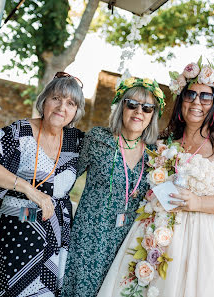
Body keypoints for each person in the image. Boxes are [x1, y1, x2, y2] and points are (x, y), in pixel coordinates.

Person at [97, 61, 214, 297]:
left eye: (205, 97)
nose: (196, 102)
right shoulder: (165, 141)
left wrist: (198, 203)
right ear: (181, 99)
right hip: (154, 233)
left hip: (204, 242)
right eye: (190, 94)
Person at [0, 72, 86, 296]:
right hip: (15, 229)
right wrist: (29, 190)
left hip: (55, 235)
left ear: (75, 112)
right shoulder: (19, 132)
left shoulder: (77, 142)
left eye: (70, 103)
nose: (62, 107)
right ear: (44, 100)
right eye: (56, 98)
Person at [61, 77, 166, 297]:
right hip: (90, 237)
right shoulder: (97, 139)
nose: (139, 111)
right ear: (121, 106)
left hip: (128, 242)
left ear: (153, 115)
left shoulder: (156, 155)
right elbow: (65, 180)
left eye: (147, 108)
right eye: (132, 104)